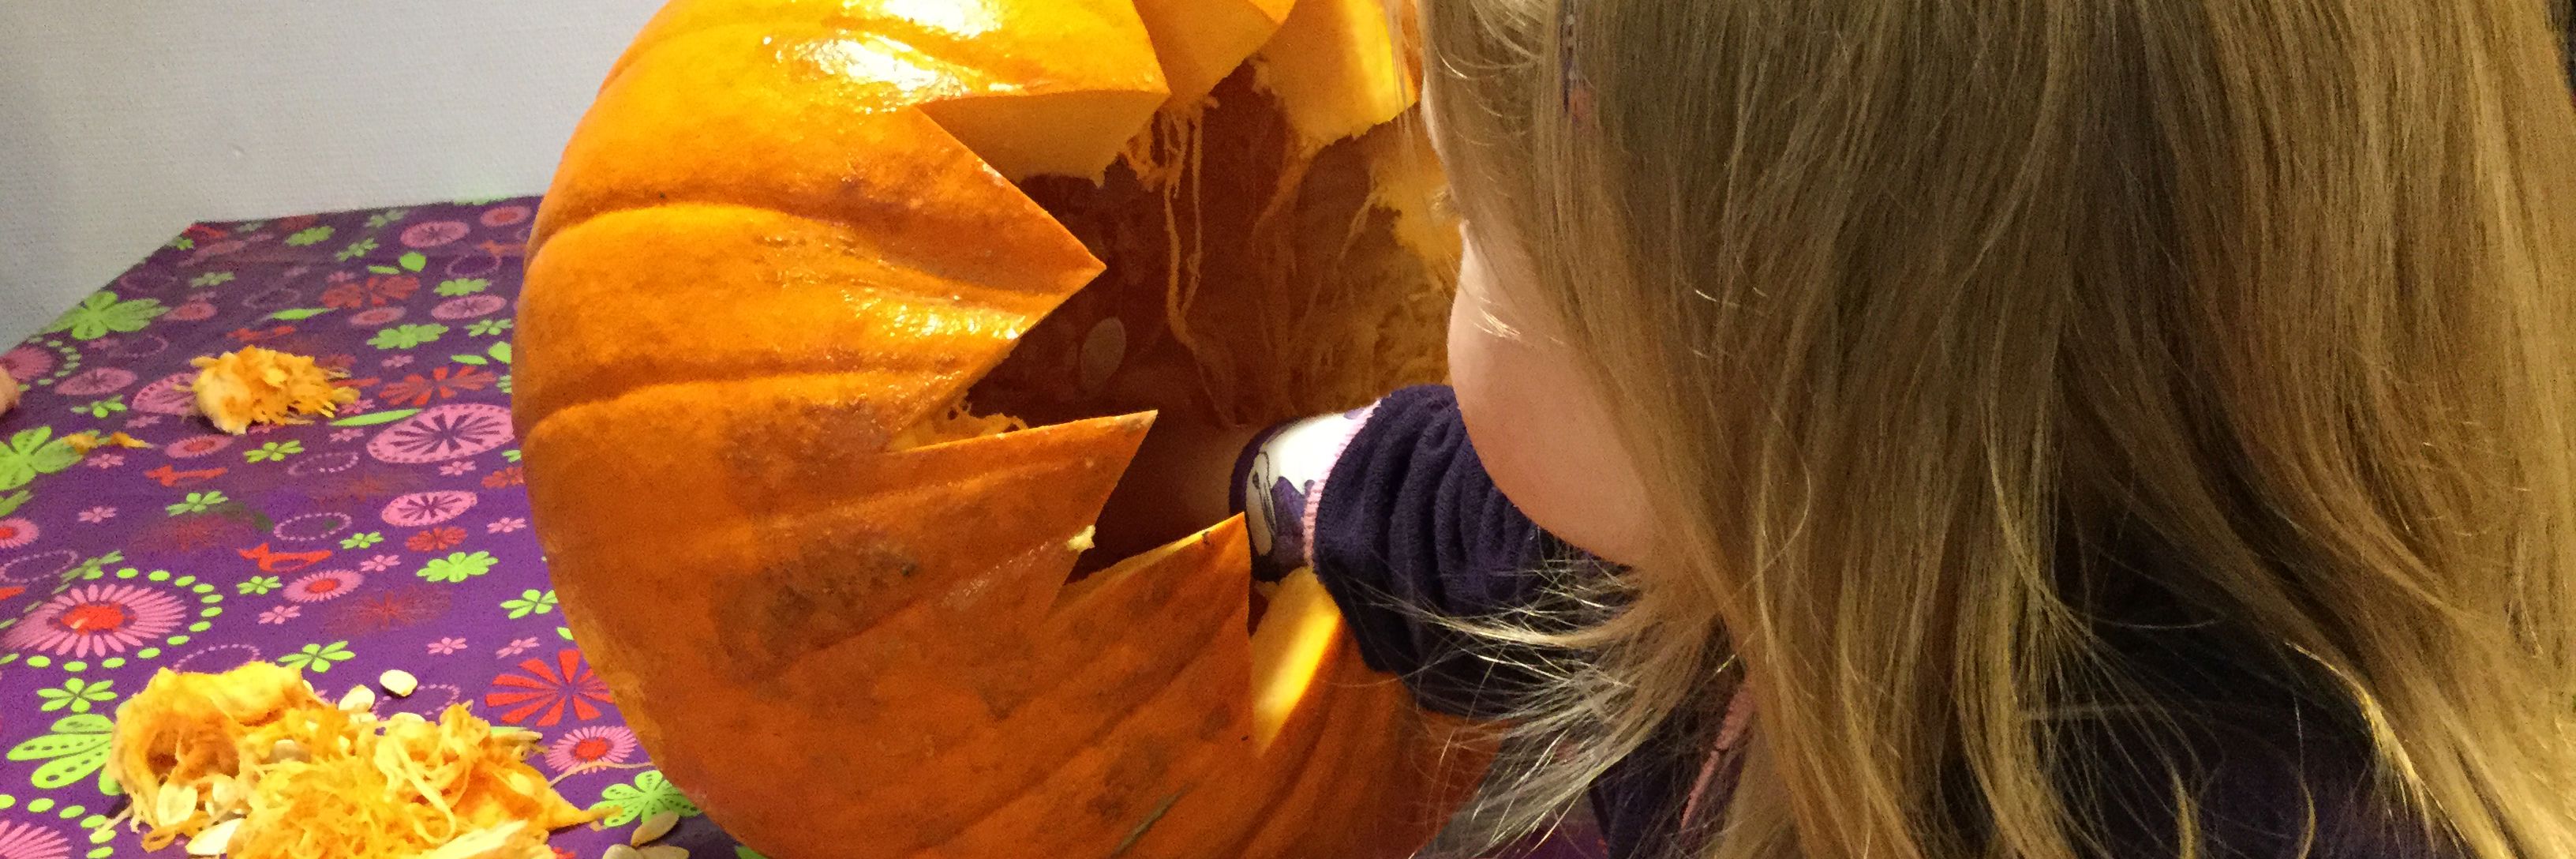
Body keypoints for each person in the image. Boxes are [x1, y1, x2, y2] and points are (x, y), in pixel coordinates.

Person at [1099, 1, 2576, 857]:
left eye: (1477, 227)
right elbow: (1503, 530)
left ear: (1738, 359)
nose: (1448, 260)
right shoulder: (1797, 567)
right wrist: (1254, 479)